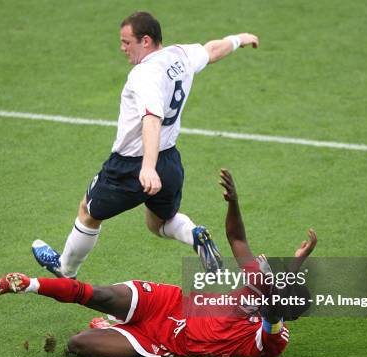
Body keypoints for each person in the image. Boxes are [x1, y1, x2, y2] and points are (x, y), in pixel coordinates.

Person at [0, 169, 318, 357]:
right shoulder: (261, 289)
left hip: (162, 341)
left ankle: (116, 325)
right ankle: (28, 284)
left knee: (78, 344)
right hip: (166, 303)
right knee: (99, 295)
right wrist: (234, 201)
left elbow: (274, 313)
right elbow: (237, 238)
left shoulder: (273, 340)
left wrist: (293, 267)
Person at [31, 11, 260, 278]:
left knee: (88, 211)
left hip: (131, 167)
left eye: (127, 42)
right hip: (170, 162)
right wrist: (238, 39)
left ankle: (65, 270)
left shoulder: (144, 74)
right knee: (158, 222)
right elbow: (211, 50)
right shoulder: (179, 55)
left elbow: (151, 118)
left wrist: (147, 168)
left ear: (146, 41)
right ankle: (195, 236)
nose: (122, 48)